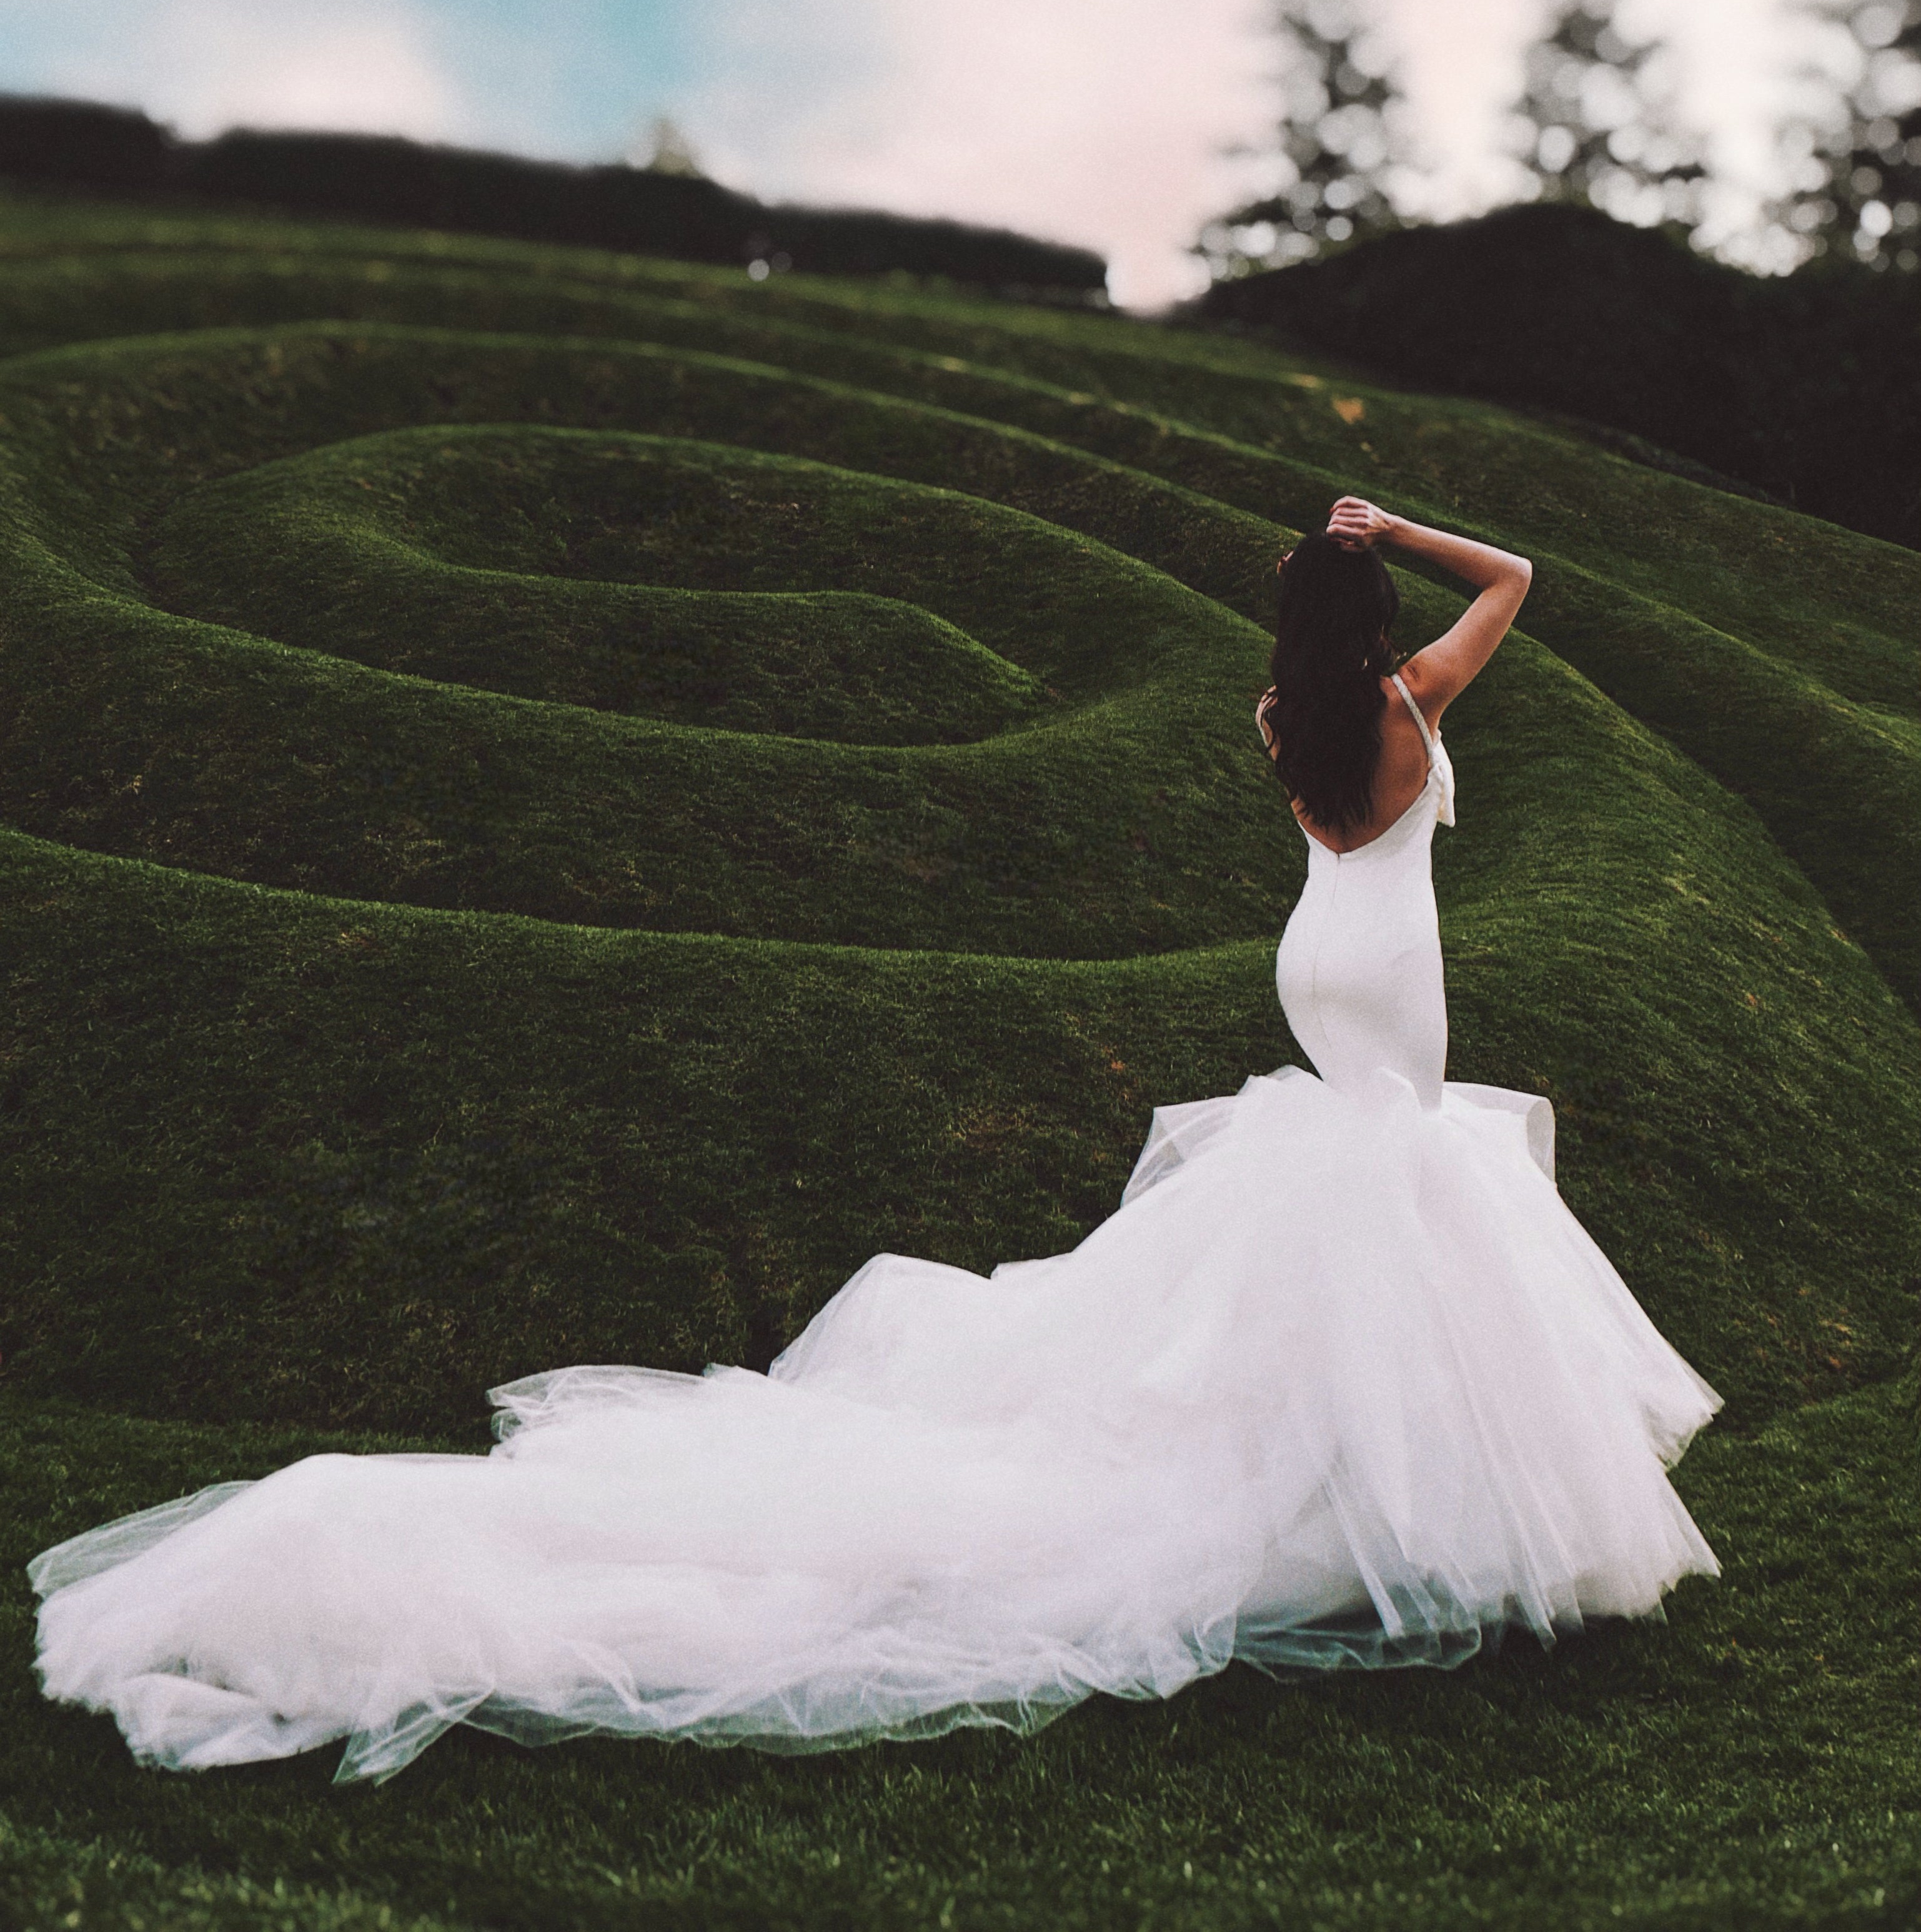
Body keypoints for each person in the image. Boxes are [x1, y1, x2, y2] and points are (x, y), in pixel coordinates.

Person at [29, 499, 1720, 1783]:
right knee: (1406, 1161)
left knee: (1351, 1174)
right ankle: (1388, 1502)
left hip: (1311, 955)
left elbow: (1340, 666)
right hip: (1393, 957)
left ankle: (1351, 1477)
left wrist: (1331, 570)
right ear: (1381, 622)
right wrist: (1399, 529)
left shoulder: (1288, 722)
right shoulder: (1413, 704)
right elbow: (1516, 577)